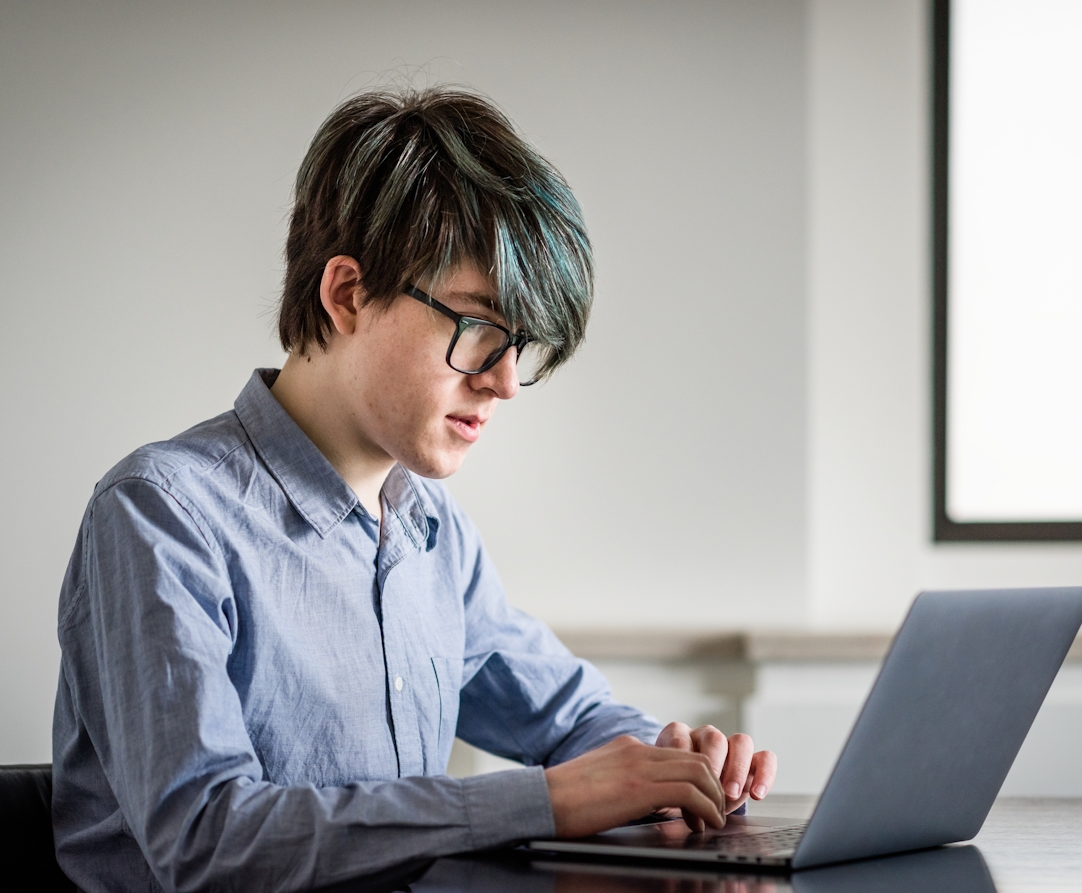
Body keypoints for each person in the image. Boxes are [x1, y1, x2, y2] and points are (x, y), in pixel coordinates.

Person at [51, 86, 777, 893]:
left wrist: (678, 761)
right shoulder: (161, 514)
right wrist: (540, 801)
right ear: (347, 294)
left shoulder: (433, 531)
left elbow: (570, 718)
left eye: (521, 344)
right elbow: (206, 838)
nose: (504, 381)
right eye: (477, 329)